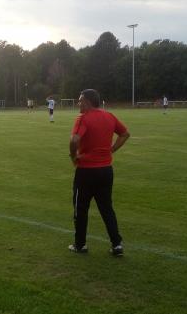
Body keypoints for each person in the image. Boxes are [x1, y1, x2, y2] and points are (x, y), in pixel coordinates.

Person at [68, 89, 130, 256]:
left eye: (80, 100)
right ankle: (117, 245)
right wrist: (111, 150)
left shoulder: (83, 118)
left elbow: (74, 140)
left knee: (80, 209)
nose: (78, 103)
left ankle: (80, 245)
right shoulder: (109, 116)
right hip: (106, 171)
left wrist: (73, 157)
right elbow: (125, 134)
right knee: (106, 208)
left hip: (86, 172)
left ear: (88, 101)